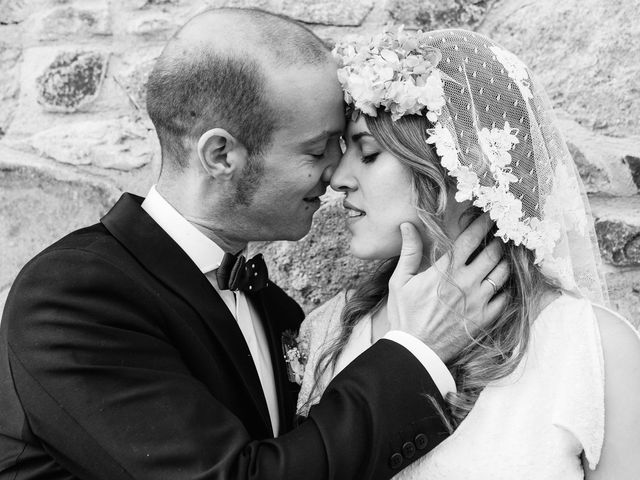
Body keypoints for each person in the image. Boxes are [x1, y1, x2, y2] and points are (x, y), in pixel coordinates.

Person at [0, 10, 507, 480]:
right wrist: (415, 354)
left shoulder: (278, 311)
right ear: (221, 154)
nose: (334, 174)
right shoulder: (74, 296)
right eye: (316, 149)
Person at [296, 28, 640, 479]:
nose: (337, 179)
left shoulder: (595, 347)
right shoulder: (325, 333)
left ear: (459, 165)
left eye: (368, 153)